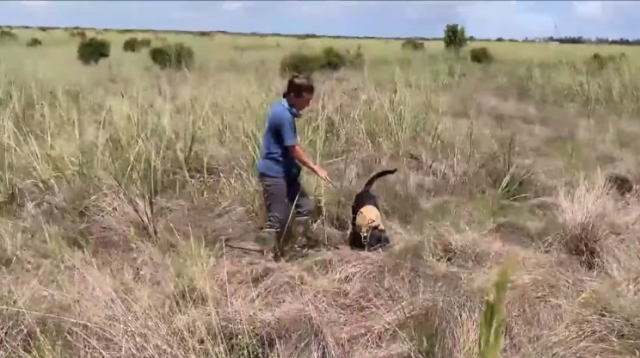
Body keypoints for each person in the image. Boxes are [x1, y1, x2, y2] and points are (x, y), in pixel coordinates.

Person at [255, 74, 334, 260]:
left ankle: (296, 244)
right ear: (293, 96)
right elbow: (293, 149)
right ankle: (263, 255)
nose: (308, 105)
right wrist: (315, 168)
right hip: (274, 173)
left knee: (305, 207)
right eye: (306, 100)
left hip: (287, 172)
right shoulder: (282, 115)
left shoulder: (285, 110)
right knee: (276, 220)